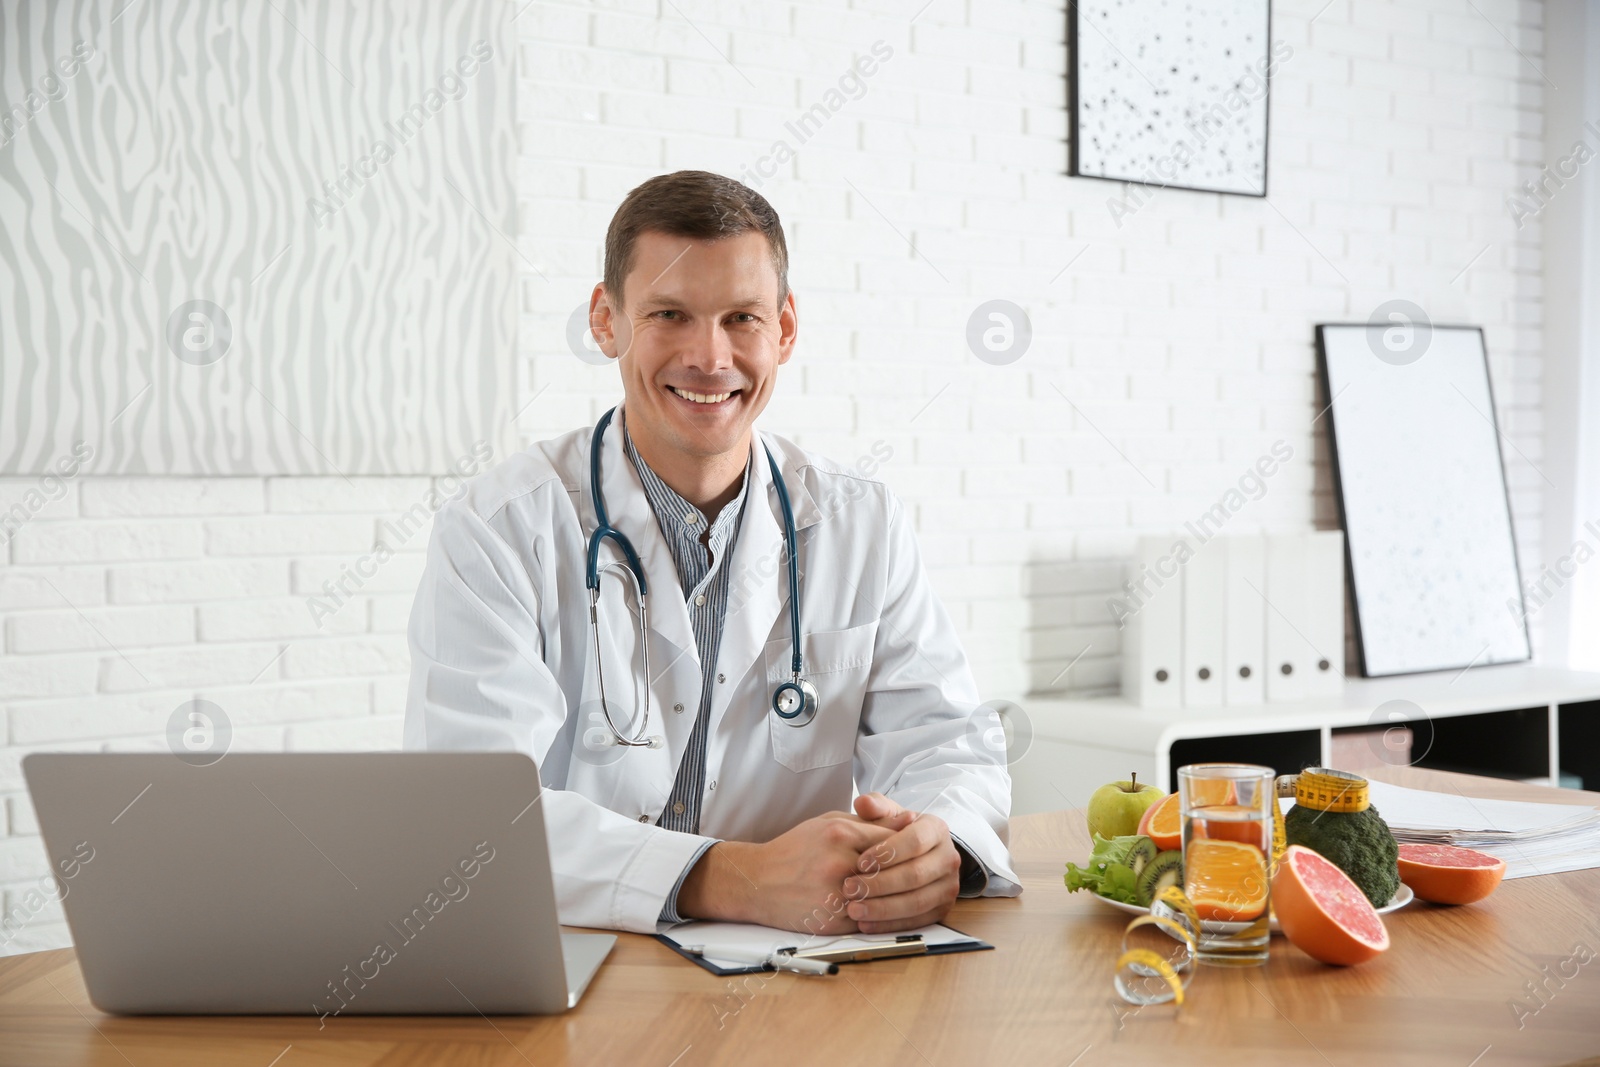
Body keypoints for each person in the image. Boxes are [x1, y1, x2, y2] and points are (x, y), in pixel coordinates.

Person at [404, 170, 1019, 936]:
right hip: (585, 966)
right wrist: (732, 876)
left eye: (741, 318)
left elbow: (947, 740)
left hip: (800, 970)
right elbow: (471, 819)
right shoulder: (499, 528)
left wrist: (940, 845)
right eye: (670, 314)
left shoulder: (862, 523)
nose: (709, 355)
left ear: (785, 329)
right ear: (607, 321)